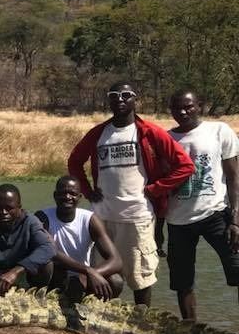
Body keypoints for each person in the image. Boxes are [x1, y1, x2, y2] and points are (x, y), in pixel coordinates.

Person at [67, 81, 194, 306]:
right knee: (103, 275)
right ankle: (100, 317)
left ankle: (142, 319)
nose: (120, 99)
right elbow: (75, 161)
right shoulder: (99, 133)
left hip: (137, 216)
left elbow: (185, 166)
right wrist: (87, 190)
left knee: (140, 278)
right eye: (114, 95)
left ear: (136, 99)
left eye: (126, 95)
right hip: (103, 217)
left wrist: (156, 189)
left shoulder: (149, 132)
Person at [157, 89, 239, 320]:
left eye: (188, 106)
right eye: (177, 108)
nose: (183, 112)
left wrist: (236, 220)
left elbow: (234, 177)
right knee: (182, 282)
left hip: (216, 214)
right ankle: (190, 331)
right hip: (178, 221)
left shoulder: (219, 130)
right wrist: (158, 228)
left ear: (200, 106)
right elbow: (160, 189)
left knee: (237, 268)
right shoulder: (165, 139)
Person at [35, 176, 123, 301]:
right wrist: (87, 270)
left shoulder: (90, 220)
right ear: (55, 195)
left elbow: (116, 261)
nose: (67, 197)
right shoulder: (42, 217)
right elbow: (50, 252)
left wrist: (93, 273)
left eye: (73, 194)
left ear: (80, 197)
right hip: (57, 275)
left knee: (116, 281)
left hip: (83, 277)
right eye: (63, 193)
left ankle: (97, 308)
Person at [0, 184, 55, 295]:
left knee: (47, 264)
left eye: (9, 208)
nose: (3, 212)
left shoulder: (30, 222)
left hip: (21, 273)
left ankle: (35, 293)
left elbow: (48, 248)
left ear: (19, 207)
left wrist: (16, 271)